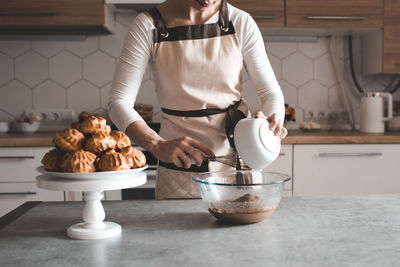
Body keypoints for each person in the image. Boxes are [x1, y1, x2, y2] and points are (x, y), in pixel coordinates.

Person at [108, 0, 287, 200]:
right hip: (179, 164)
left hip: (238, 159)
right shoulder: (147, 25)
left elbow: (270, 92)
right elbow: (119, 101)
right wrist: (156, 144)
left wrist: (272, 120)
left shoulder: (240, 22)